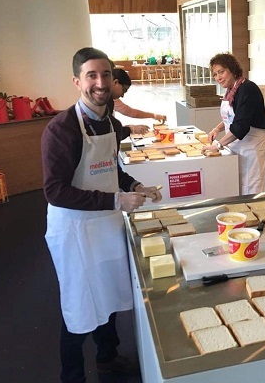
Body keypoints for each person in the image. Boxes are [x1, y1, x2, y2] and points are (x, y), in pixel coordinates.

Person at [41, 47, 162, 383]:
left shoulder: (109, 121)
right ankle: (73, 376)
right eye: (91, 75)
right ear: (77, 81)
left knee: (107, 292)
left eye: (105, 74)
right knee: (79, 305)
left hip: (105, 224)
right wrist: (116, 201)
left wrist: (137, 184)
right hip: (75, 230)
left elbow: (111, 168)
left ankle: (108, 358)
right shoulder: (61, 129)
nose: (100, 82)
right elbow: (55, 191)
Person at [203, 53, 265, 195]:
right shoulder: (232, 90)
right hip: (236, 145)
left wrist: (217, 145)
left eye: (221, 72)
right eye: (215, 74)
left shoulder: (247, 89)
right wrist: (218, 128)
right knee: (237, 185)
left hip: (251, 146)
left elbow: (241, 125)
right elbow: (233, 116)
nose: (218, 78)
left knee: (251, 188)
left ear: (232, 69)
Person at [110, 68, 166, 139]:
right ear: (115, 82)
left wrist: (154, 115)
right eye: (123, 90)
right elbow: (109, 131)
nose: (122, 95)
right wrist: (130, 129)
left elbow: (130, 112)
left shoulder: (111, 99)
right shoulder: (102, 101)